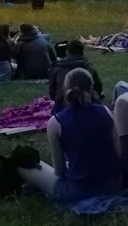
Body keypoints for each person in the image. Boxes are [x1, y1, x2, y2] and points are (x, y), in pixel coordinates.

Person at [17, 69, 122, 202]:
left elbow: (59, 171)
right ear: (91, 88)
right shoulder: (106, 112)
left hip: (78, 191)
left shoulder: (56, 122)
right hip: (112, 185)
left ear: (65, 89)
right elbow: (119, 153)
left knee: (22, 164)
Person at [50, 39, 103, 111]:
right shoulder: (89, 67)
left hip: (64, 107)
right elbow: (98, 87)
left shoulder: (58, 67)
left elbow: (52, 91)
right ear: (82, 51)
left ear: (67, 51)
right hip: (87, 105)